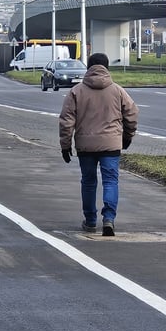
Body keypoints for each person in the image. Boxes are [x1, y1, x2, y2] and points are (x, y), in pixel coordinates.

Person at [59, 52, 139, 237]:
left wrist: (65, 145)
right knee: (111, 180)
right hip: (111, 144)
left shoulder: (76, 91)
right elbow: (132, 114)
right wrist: (127, 135)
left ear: (88, 67)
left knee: (88, 182)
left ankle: (90, 221)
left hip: (85, 146)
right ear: (107, 67)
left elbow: (66, 120)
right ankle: (109, 219)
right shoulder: (117, 91)